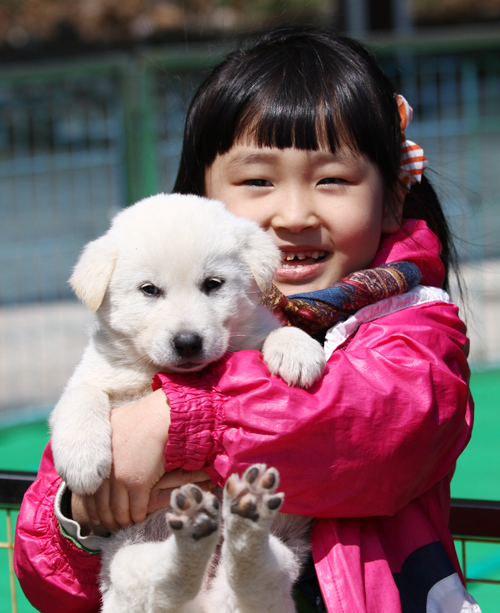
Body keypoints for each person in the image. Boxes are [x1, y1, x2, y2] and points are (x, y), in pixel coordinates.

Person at [14, 26, 480, 613]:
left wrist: (181, 420)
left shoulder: (414, 325)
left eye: (331, 179)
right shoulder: (145, 328)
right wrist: (78, 517)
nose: (292, 214)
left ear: (389, 198)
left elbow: (377, 427)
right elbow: (45, 576)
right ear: (204, 196)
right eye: (258, 180)